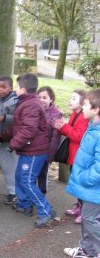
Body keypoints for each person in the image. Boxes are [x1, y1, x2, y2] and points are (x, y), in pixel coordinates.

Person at [0, 73, 56, 228]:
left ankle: (46, 211)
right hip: (29, 149)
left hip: (34, 151)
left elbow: (28, 130)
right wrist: (3, 137)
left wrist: (12, 144)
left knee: (27, 180)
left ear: (22, 89)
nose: (15, 89)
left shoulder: (30, 104)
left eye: (17, 87)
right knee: (20, 176)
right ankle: (24, 204)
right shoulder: (25, 102)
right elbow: (17, 126)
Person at [63, 89, 100, 258]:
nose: (83, 107)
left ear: (96, 109)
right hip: (90, 187)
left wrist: (85, 178)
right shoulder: (93, 127)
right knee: (87, 218)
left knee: (89, 218)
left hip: (95, 186)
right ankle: (88, 249)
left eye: (86, 104)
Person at [53, 90, 89, 224]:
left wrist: (64, 127)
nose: (70, 101)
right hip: (73, 154)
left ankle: (86, 211)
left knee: (82, 183)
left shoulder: (84, 117)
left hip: (80, 155)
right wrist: (60, 126)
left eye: (74, 99)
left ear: (82, 102)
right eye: (70, 98)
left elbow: (79, 136)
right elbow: (70, 132)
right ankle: (79, 206)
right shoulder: (75, 114)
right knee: (77, 182)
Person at [0, 76, 19, 205]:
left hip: (12, 140)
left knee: (14, 166)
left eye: (4, 87)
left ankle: (17, 192)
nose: (0, 89)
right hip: (1, 139)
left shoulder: (15, 101)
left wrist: (4, 118)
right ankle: (11, 192)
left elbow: (18, 119)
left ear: (11, 88)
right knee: (6, 166)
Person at [37, 86, 63, 195]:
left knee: (42, 174)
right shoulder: (35, 110)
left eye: (44, 97)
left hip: (45, 151)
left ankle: (41, 195)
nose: (41, 100)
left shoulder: (56, 114)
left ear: (51, 99)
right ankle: (31, 197)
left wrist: (50, 155)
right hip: (34, 149)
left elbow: (55, 138)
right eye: (39, 97)